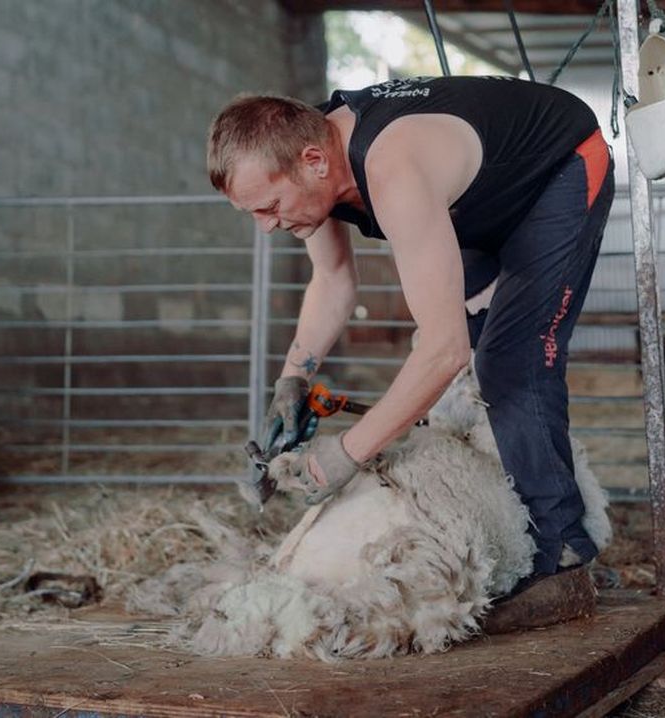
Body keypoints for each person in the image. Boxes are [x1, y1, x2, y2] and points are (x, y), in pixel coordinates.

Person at [207, 75, 614, 598]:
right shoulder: (305, 154)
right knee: (465, 354)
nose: (266, 227)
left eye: (269, 208)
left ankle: (563, 551)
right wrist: (293, 379)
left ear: (313, 161)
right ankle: (500, 514)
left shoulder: (392, 168)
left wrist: (348, 453)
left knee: (510, 360)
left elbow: (445, 351)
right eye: (254, 214)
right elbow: (333, 282)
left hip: (561, 166)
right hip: (481, 197)